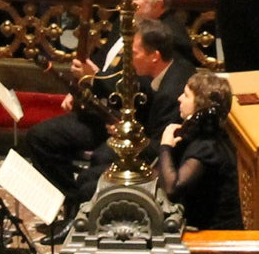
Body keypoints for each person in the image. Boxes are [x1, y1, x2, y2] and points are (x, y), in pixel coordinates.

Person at [31, 17, 195, 206]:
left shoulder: (170, 93)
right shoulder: (162, 70)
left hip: (154, 162)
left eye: (133, 53)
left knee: (89, 180)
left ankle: (80, 209)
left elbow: (158, 150)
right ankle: (73, 208)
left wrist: (127, 134)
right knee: (82, 174)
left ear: (154, 56)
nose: (128, 60)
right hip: (132, 130)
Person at [157, 69, 243, 231]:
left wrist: (165, 147)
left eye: (186, 95)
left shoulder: (207, 146)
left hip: (215, 235)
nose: (179, 98)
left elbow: (172, 188)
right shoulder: (208, 133)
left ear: (200, 105)